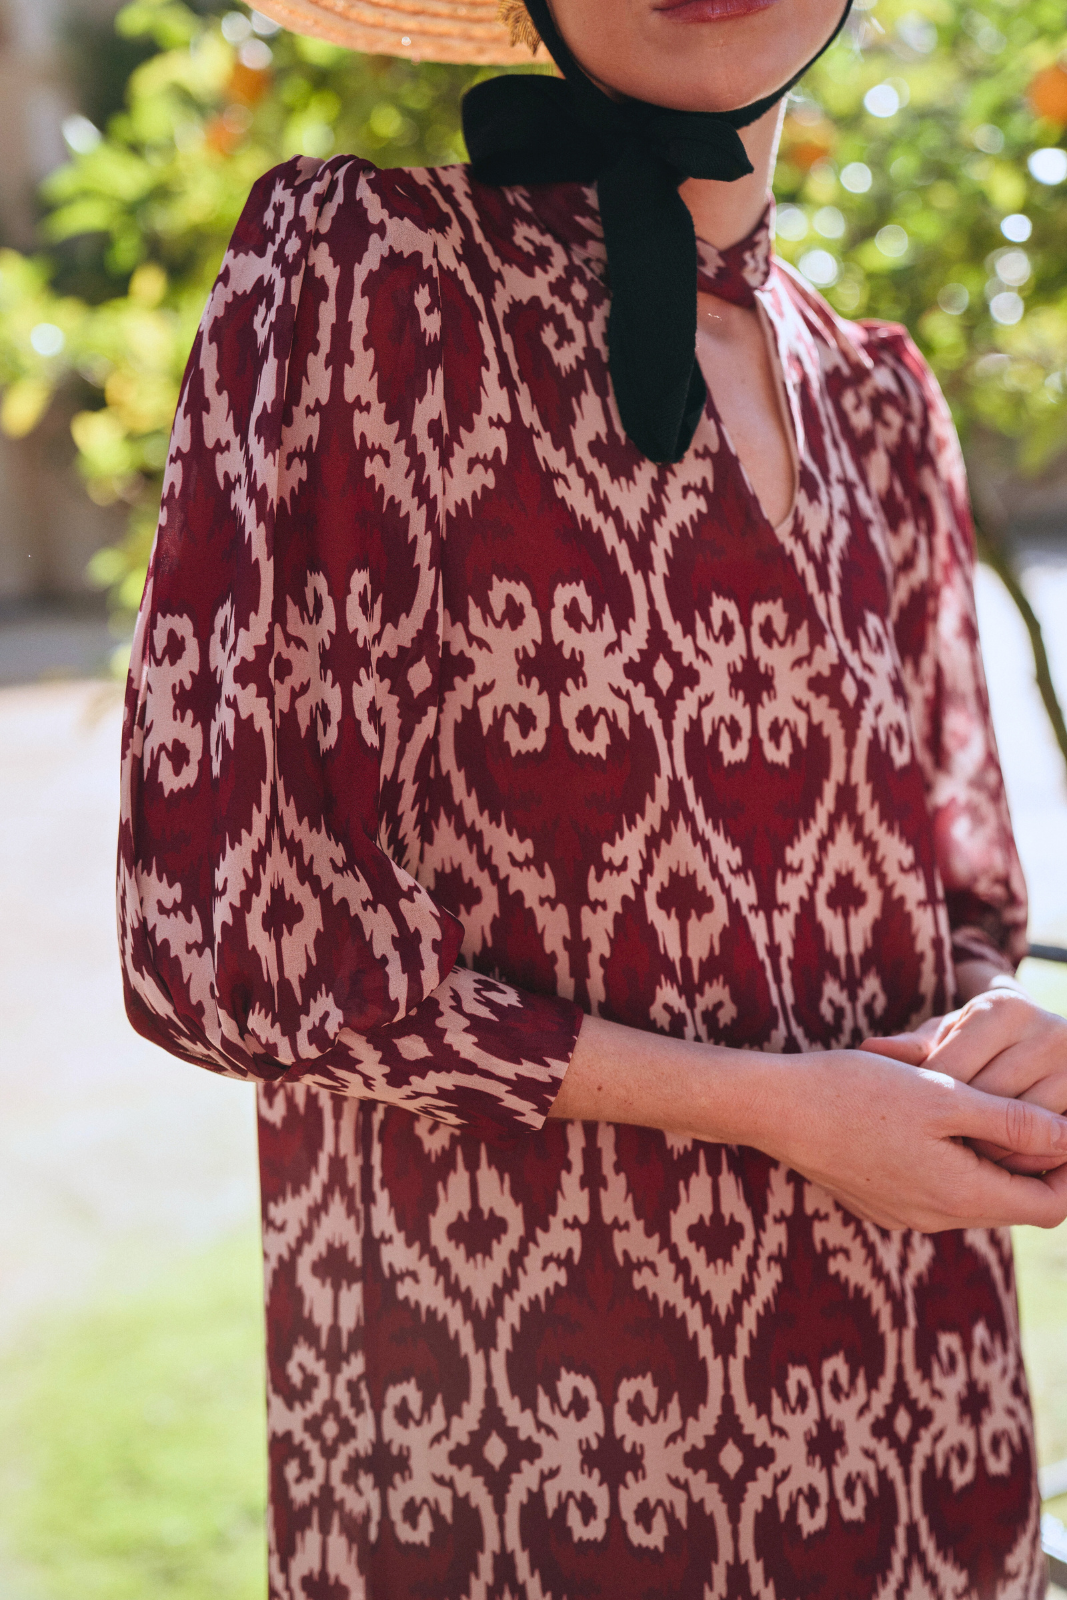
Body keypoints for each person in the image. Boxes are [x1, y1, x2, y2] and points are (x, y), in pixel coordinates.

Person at [117, 0, 1067, 1593]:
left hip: (922, 1444)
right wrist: (779, 1107)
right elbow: (236, 947)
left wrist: (1009, 1047)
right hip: (518, 1457)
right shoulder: (368, 275)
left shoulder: (885, 399)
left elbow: (956, 905)